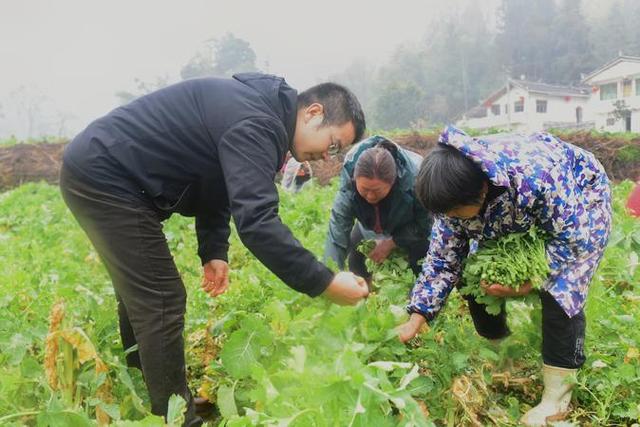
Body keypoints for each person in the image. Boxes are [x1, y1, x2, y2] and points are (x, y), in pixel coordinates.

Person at [59, 73, 369, 426]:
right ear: (314, 112)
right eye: (333, 144)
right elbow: (258, 224)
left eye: (337, 152)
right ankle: (175, 417)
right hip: (106, 176)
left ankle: (154, 398)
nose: (328, 157)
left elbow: (217, 178)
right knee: (160, 297)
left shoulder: (257, 111)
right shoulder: (257, 121)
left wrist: (214, 249)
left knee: (144, 295)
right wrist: (325, 282)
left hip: (105, 171)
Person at [397, 126, 611, 426]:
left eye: (456, 213)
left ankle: (556, 396)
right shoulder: (454, 198)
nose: (451, 219)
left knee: (562, 289)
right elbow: (443, 259)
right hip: (511, 212)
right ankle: (501, 352)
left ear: (481, 190)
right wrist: (416, 316)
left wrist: (530, 282)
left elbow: (575, 241)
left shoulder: (538, 178)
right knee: (473, 276)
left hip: (579, 200)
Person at [324, 135, 432, 284]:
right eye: (364, 189)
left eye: (377, 191)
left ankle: (416, 301)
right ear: (355, 180)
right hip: (370, 225)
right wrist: (329, 280)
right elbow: (337, 232)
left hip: (411, 227)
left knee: (419, 266)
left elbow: (425, 225)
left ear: (393, 181)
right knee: (356, 259)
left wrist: (391, 242)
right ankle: (363, 298)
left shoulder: (416, 180)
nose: (370, 196)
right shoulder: (349, 183)